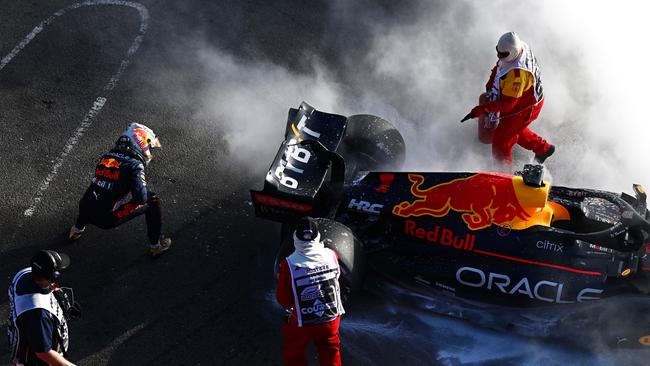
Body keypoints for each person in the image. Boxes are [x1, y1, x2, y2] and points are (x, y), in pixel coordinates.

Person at [68, 123, 171, 257]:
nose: (150, 151)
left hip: (84, 208)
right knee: (152, 200)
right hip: (105, 219)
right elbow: (141, 198)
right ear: (142, 143)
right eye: (150, 146)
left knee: (98, 191)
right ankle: (156, 246)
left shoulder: (106, 157)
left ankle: (76, 230)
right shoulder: (135, 165)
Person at [462, 31, 555, 167]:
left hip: (525, 107)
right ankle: (544, 149)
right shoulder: (517, 49)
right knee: (512, 129)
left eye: (503, 54)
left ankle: (504, 176)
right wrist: (490, 84)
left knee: (501, 141)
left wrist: (481, 109)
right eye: (497, 51)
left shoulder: (516, 76)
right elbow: (500, 65)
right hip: (526, 97)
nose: (499, 56)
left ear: (513, 52)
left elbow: (507, 105)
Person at [276, 217, 345, 366]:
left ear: (296, 238)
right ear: (317, 237)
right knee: (330, 349)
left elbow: (283, 299)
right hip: (330, 320)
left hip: (301, 323)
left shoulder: (288, 264)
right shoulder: (332, 255)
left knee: (294, 351)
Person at [8, 250, 79, 366]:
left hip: (26, 335)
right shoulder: (39, 315)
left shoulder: (23, 274)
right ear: (52, 277)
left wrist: (52, 290)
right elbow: (44, 353)